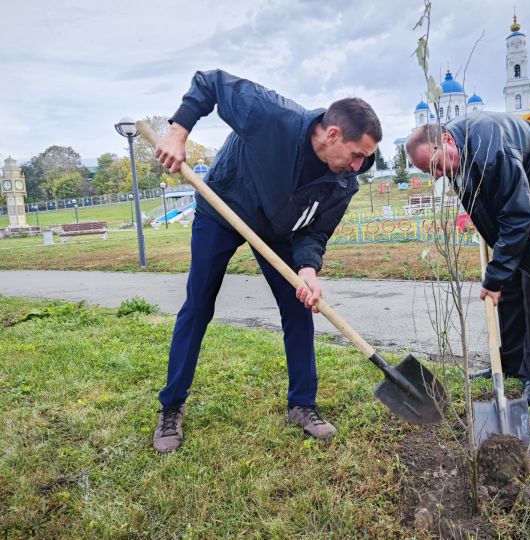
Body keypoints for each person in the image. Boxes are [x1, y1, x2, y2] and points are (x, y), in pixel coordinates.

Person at [152, 70, 381, 453]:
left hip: (278, 229)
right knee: (198, 305)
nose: (358, 166)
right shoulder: (272, 115)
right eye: (357, 155)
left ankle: (302, 405)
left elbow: (315, 231)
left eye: (367, 158)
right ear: (332, 135)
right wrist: (178, 131)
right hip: (225, 206)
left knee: (299, 307)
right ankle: (171, 407)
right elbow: (210, 83)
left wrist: (307, 268)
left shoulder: (343, 182)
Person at [405, 113, 530, 405]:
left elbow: (517, 216)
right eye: (431, 171)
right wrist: (501, 267)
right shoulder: (458, 154)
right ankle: (511, 362)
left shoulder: (491, 149)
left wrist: (494, 277)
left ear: (447, 140)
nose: (438, 174)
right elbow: (487, 203)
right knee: (510, 284)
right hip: (526, 195)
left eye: (436, 166)